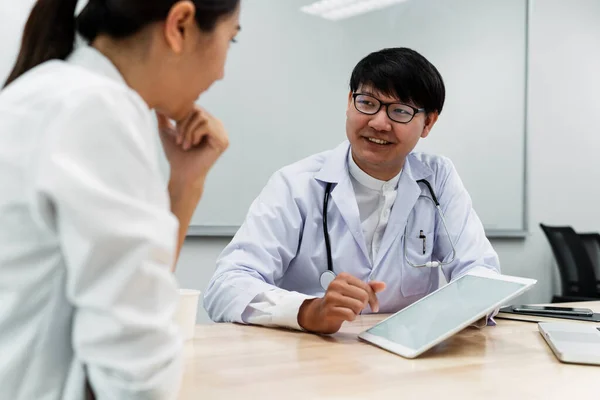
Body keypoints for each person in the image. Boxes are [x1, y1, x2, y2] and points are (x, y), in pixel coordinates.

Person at [0, 0, 240, 399]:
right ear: (180, 25)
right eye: (231, 39)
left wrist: (185, 183)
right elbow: (135, 367)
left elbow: (132, 293)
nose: (221, 72)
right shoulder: (98, 108)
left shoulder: (48, 91)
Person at [204, 47, 501, 335]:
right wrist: (308, 310)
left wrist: (468, 306)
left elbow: (480, 272)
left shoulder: (437, 179)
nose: (378, 123)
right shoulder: (296, 184)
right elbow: (226, 285)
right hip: (309, 357)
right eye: (368, 103)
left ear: (428, 123)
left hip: (407, 359)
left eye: (400, 111)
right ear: (349, 102)